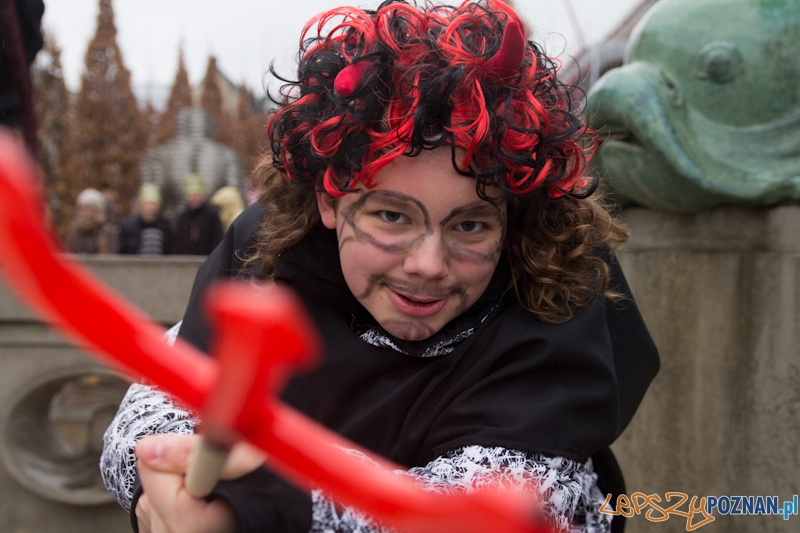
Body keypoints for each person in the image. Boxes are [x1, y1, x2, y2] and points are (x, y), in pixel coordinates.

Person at [100, 1, 660, 532]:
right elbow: (154, 405)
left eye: (469, 225)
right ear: (329, 198)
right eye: (392, 217)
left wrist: (258, 503)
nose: (428, 266)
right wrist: (165, 487)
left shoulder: (558, 297)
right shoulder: (265, 253)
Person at [175, 172, 224, 255]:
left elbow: (217, 241)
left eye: (197, 195)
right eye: (192, 195)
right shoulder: (183, 218)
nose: (194, 198)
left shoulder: (212, 216)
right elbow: (178, 244)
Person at [118, 183, 174, 255]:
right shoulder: (129, 226)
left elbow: (171, 250)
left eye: (154, 204)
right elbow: (123, 252)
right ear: (141, 204)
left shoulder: (165, 226)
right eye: (147, 203)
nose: (150, 207)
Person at [62, 187, 116, 254]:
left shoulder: (107, 233)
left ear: (98, 212)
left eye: (91, 210)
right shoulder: (74, 230)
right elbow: (68, 251)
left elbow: (111, 256)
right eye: (85, 210)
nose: (88, 214)